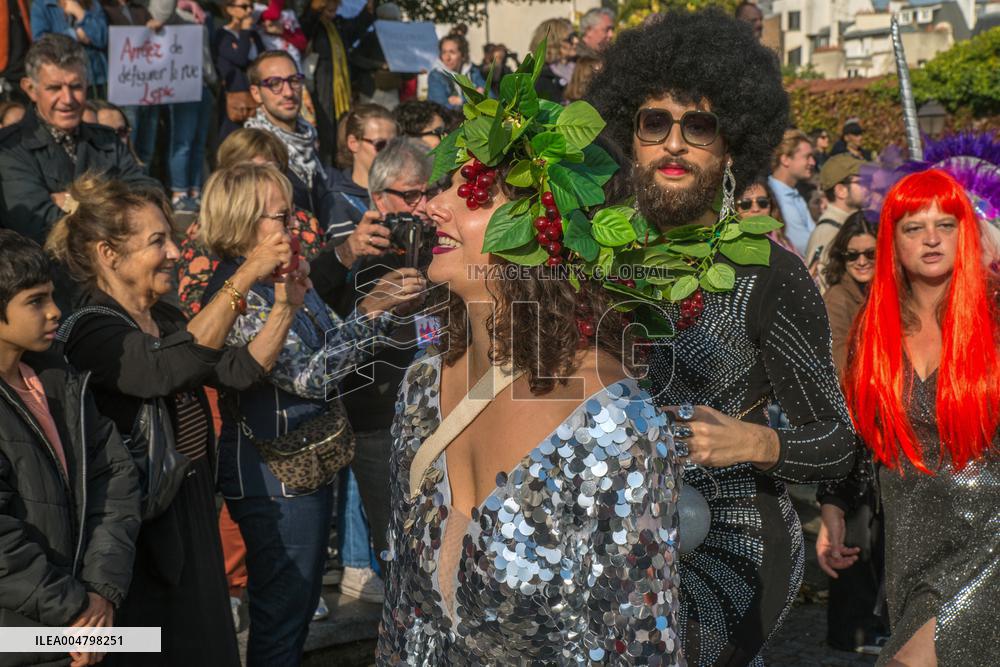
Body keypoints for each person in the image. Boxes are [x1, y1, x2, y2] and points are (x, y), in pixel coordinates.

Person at [377, 82, 683, 666]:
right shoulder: (422, 385)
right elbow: (400, 614)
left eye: (473, 193)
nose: (434, 205)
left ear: (547, 229)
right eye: (446, 186)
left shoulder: (611, 421)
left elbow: (640, 647)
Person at [589, 10, 857, 664]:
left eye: (699, 124)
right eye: (655, 122)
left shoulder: (772, 272)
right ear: (632, 137)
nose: (674, 142)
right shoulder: (591, 259)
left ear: (732, 145)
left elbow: (836, 442)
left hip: (729, 549)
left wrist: (757, 440)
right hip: (603, 548)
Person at [47, 174, 297, 666]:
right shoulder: (92, 330)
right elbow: (165, 369)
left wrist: (287, 305)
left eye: (172, 238)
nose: (175, 253)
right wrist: (243, 275)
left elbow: (237, 369)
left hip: (192, 510)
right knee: (156, 650)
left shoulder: (165, 316)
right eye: (156, 242)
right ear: (108, 254)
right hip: (138, 535)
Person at [197, 162, 424, 665]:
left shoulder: (281, 273)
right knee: (282, 618)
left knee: (292, 616)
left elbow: (328, 341)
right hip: (274, 477)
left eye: (293, 213)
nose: (294, 226)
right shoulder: (239, 292)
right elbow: (313, 376)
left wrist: (376, 306)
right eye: (280, 216)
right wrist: (374, 313)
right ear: (242, 220)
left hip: (302, 467)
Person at [818, 168, 999, 665]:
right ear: (891, 240)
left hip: (989, 538)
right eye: (913, 227)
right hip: (910, 543)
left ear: (967, 232)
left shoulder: (996, 315)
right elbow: (861, 434)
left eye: (946, 224)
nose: (932, 238)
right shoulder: (872, 329)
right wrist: (834, 506)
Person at [0, 229, 140, 667]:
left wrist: (100, 596)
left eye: (52, 296)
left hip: (82, 628)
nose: (55, 311)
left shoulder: (60, 381)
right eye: (35, 301)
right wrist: (75, 612)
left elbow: (115, 478)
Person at [0, 34, 158, 245]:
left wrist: (73, 202)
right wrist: (118, 200)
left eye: (76, 87)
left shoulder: (107, 140)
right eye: (54, 88)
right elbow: (39, 227)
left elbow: (151, 195)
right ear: (30, 89)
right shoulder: (10, 149)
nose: (68, 99)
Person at [243, 50, 336, 233]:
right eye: (274, 83)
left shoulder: (310, 139)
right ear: (256, 93)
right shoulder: (250, 150)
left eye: (294, 80)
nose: (288, 92)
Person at [301, 0, 375, 166]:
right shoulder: (313, 26)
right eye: (328, 6)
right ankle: (325, 169)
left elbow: (358, 26)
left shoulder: (338, 25)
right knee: (325, 130)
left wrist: (368, 9)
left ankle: (340, 166)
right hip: (321, 87)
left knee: (342, 128)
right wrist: (314, 10)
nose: (333, 10)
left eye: (335, 6)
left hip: (340, 91)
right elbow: (307, 22)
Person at [99, 0, 158, 168]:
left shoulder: (140, 9)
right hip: (125, 90)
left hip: (150, 89)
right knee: (129, 147)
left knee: (147, 148)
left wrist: (156, 28)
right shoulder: (104, 9)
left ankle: (145, 188)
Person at [328, 103, 396, 240]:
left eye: (394, 145)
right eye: (381, 144)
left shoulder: (402, 192)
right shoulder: (337, 201)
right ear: (353, 143)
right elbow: (342, 257)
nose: (390, 153)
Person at [820, 213, 875, 384]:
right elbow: (839, 368)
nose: (861, 262)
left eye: (870, 254)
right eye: (852, 255)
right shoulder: (837, 300)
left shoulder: (894, 290)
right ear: (842, 257)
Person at [805, 154, 869, 290]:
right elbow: (824, 291)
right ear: (841, 190)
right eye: (862, 182)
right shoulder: (829, 232)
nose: (869, 187)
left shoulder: (842, 226)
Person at [212, 0, 265, 141]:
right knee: (234, 139)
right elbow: (240, 58)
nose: (249, 11)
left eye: (251, 7)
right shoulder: (222, 35)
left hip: (254, 96)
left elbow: (262, 59)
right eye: (244, 6)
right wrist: (245, 32)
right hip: (235, 98)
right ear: (229, 9)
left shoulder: (254, 35)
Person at [30, 0, 107, 95]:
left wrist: (80, 12)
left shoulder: (92, 3)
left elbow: (103, 38)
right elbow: (41, 42)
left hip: (96, 77)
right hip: (64, 76)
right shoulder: (42, 5)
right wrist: (74, 35)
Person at [768, 129, 816, 255]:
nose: (813, 162)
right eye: (807, 157)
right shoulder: (771, 195)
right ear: (785, 159)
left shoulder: (795, 194)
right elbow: (803, 245)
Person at [737, 177, 798, 256]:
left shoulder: (783, 241)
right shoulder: (734, 245)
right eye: (746, 204)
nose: (756, 209)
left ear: (771, 205)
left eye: (762, 202)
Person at [427, 33, 484, 111]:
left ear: (463, 55)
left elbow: (490, 98)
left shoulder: (473, 71)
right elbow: (440, 107)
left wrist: (460, 100)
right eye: (444, 52)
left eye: (452, 52)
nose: (447, 57)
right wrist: (474, 98)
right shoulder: (435, 75)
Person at [529, 17, 575, 103]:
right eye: (570, 39)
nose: (575, 41)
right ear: (554, 43)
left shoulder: (577, 66)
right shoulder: (541, 78)